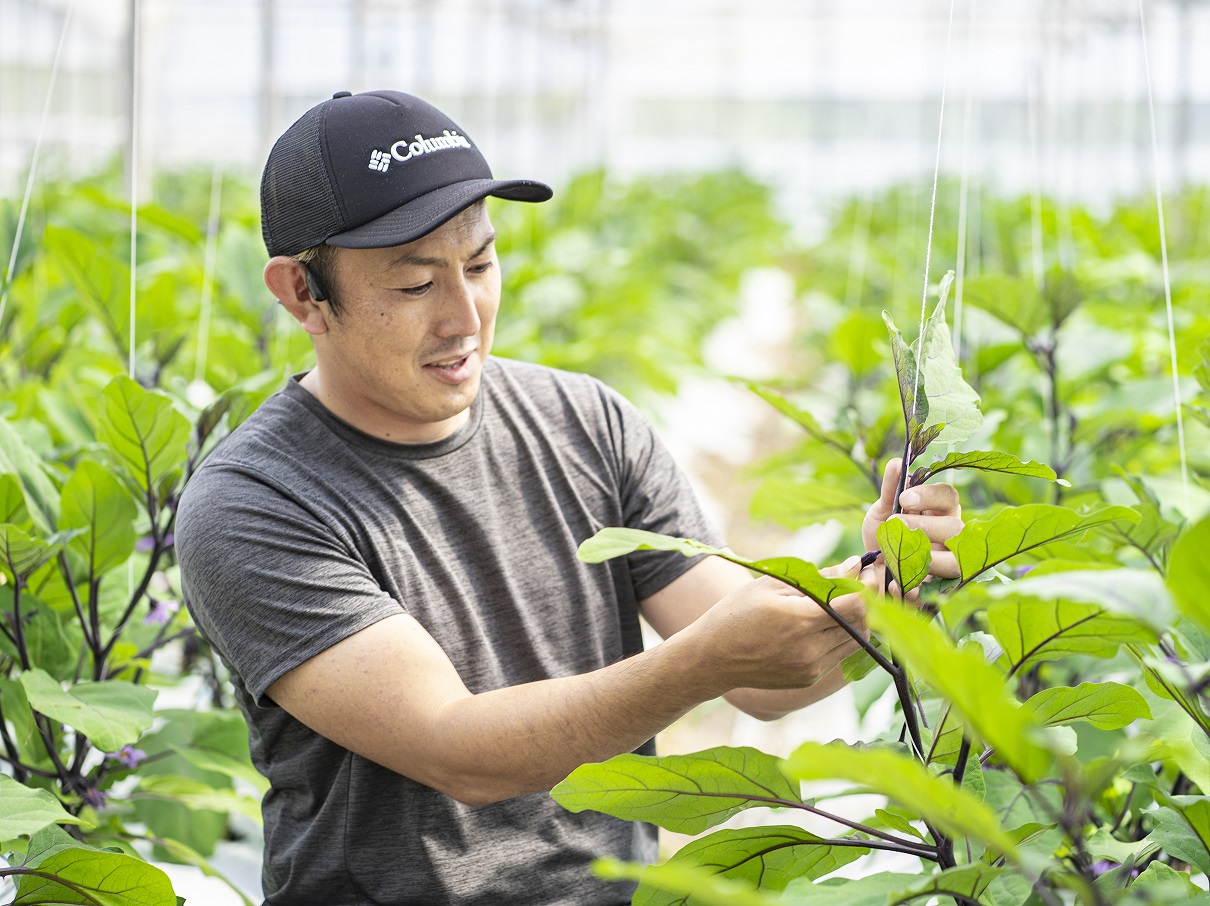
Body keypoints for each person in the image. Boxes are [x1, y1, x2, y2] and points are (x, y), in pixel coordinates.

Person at [175, 89, 963, 905]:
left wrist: (874, 587)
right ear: (302, 293)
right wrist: (700, 661)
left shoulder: (586, 423)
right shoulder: (255, 502)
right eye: (414, 286)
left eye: (479, 266)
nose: (464, 318)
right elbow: (460, 751)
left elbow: (766, 684)